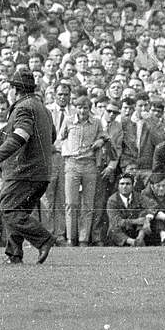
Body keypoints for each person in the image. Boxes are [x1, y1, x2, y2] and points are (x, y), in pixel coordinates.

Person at [0, 69, 56, 264]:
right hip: (42, 173)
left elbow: (22, 135)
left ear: (15, 89)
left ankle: (44, 240)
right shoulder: (44, 109)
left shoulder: (24, 107)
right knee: (18, 212)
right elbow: (53, 137)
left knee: (8, 210)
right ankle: (14, 255)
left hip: (23, 171)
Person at [57, 95, 105, 247]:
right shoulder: (69, 120)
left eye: (85, 108)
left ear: (89, 108)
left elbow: (104, 136)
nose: (82, 111)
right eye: (79, 107)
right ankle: (71, 238)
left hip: (89, 164)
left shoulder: (96, 122)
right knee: (71, 202)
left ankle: (84, 239)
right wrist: (67, 149)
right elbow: (60, 138)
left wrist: (100, 141)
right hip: (72, 164)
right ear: (75, 108)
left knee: (87, 204)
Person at [106, 174, 153, 247]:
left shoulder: (138, 196)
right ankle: (133, 242)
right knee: (112, 228)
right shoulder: (112, 200)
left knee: (143, 214)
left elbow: (153, 206)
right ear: (118, 185)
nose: (124, 186)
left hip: (136, 231)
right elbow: (116, 221)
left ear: (132, 185)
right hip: (122, 233)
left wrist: (147, 219)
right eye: (122, 184)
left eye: (128, 184)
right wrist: (136, 221)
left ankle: (139, 239)